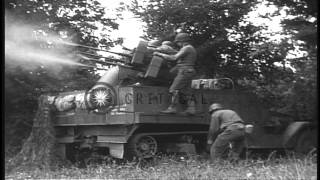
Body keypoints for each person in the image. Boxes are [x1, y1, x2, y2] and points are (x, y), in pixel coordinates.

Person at [153, 33, 197, 114]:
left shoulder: (186, 48)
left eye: (178, 42)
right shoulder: (190, 48)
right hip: (189, 71)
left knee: (173, 89)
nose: (178, 44)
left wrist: (159, 54)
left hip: (184, 71)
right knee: (187, 92)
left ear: (182, 41)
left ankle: (172, 108)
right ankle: (191, 109)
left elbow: (174, 58)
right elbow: (176, 54)